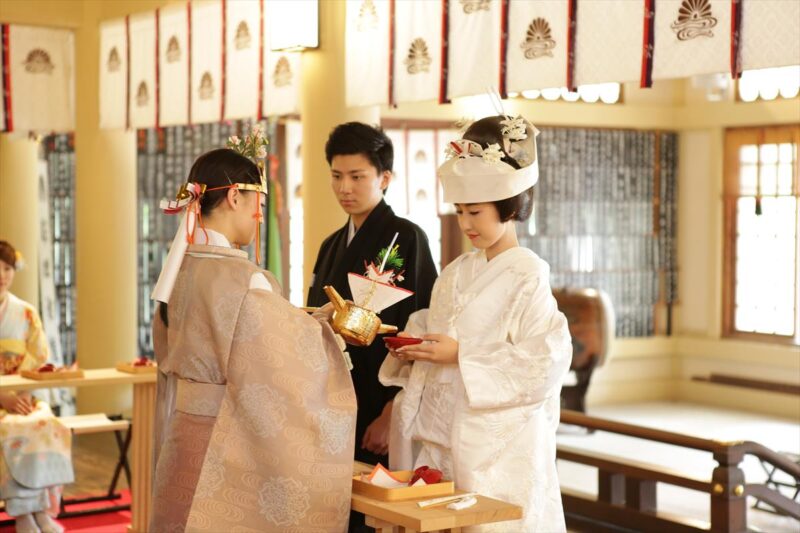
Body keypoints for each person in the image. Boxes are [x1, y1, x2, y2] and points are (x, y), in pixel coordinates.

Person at [150, 139, 357, 532]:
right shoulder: (246, 281)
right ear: (233, 197)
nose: (259, 215)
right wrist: (325, 330)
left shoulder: (176, 272)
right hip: (222, 443)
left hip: (181, 434)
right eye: (256, 203)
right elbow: (285, 364)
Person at [379, 115, 572, 532]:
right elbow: (437, 324)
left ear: (510, 206)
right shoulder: (454, 271)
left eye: (476, 212)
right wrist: (416, 348)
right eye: (460, 211)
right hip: (442, 427)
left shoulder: (527, 273)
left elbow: (545, 359)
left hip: (495, 442)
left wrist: (461, 355)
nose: (466, 224)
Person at [307, 122, 437, 468]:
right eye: (336, 176)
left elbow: (423, 326)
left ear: (384, 178)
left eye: (357, 176)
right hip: (334, 400)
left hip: (381, 400)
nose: (344, 188)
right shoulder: (331, 245)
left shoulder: (408, 239)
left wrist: (394, 409)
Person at [0, 241, 72, 533]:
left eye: (6, 268)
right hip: (3, 399)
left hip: (22, 396)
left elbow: (39, 357)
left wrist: (22, 395)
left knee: (46, 424)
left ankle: (41, 510)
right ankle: (22, 514)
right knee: (13, 430)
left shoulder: (25, 313)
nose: (2, 274)